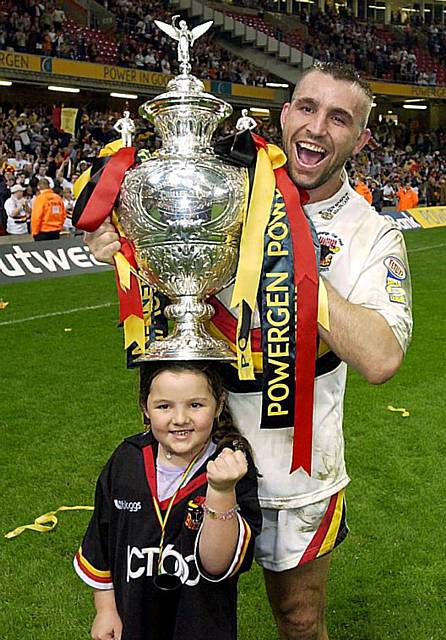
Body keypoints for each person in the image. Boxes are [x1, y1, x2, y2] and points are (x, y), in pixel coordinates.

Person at [84, 62, 413, 640]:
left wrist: (293, 258)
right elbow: (169, 285)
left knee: (300, 619)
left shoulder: (371, 233)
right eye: (307, 108)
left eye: (340, 119)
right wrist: (118, 243)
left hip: (296, 468)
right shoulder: (227, 189)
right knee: (178, 619)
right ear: (284, 115)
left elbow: (382, 359)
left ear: (360, 139)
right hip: (190, 460)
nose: (316, 128)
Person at [74, 361, 262, 640]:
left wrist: (221, 491)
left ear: (219, 404)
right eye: (164, 406)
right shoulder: (126, 461)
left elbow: (216, 564)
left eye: (196, 405)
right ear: (144, 407)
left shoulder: (230, 469)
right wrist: (106, 611)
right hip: (134, 624)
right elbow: (101, 544)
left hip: (201, 628)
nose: (180, 418)